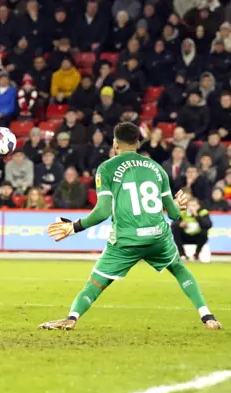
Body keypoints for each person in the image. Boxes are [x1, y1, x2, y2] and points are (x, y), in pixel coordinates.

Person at [41, 122, 222, 331]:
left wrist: (74, 226)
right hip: (157, 236)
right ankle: (207, 316)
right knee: (179, 269)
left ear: (116, 144)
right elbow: (173, 215)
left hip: (126, 238)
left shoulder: (107, 168)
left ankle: (71, 318)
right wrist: (176, 205)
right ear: (137, 142)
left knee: (97, 282)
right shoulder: (157, 169)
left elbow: (102, 212)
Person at [171, 197, 213, 261]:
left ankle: (197, 254)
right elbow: (173, 224)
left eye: (194, 205)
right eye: (190, 205)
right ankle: (182, 253)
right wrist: (179, 224)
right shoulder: (182, 212)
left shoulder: (203, 212)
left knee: (204, 231)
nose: (191, 208)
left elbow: (208, 225)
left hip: (197, 237)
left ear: (198, 206)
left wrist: (196, 216)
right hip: (185, 237)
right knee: (175, 229)